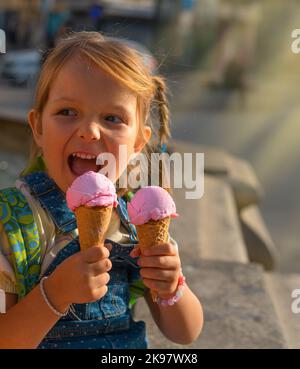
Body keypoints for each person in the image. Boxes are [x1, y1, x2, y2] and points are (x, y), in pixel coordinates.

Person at [0, 31, 203, 349]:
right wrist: (54, 294)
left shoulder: (136, 220)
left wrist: (170, 287)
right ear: (38, 127)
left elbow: (185, 333)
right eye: (67, 112)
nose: (89, 131)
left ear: (138, 142)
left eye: (112, 118)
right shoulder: (11, 224)